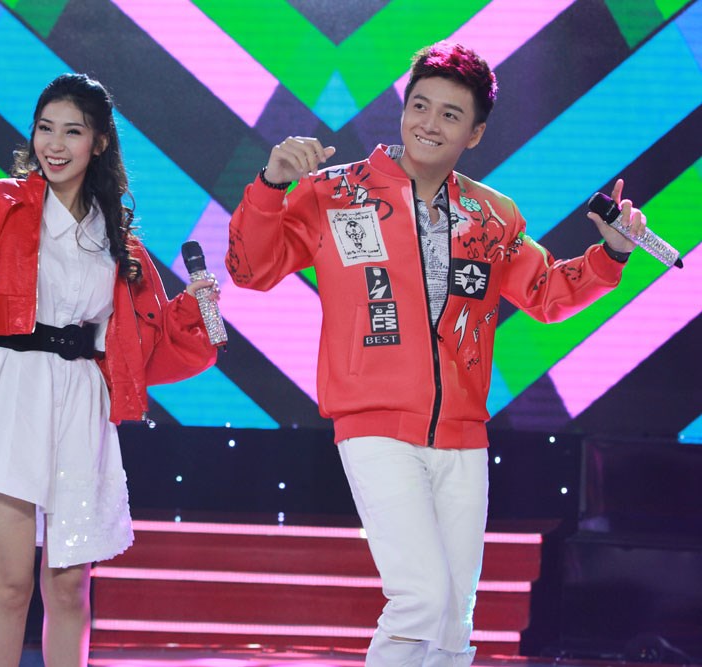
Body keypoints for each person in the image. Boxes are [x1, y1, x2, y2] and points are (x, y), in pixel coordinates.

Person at [225, 42, 647, 666]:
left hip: (463, 436)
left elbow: (546, 292)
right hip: (373, 425)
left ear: (475, 133)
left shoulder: (493, 214)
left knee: (454, 617)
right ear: (403, 111)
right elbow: (250, 269)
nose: (429, 123)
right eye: (419, 106)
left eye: (450, 114)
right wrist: (269, 186)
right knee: (421, 598)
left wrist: (610, 253)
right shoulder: (333, 193)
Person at [0, 73, 217, 667]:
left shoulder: (118, 240)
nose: (55, 144)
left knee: (69, 589)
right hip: (10, 391)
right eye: (45, 128)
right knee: (10, 585)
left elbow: (146, 347)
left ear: (99, 143)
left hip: (81, 402)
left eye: (72, 132)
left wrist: (197, 309)